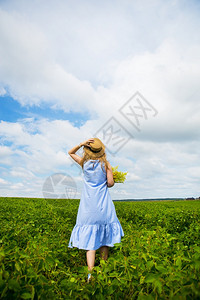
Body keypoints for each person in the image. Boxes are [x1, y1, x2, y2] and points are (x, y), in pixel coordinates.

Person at [68, 138, 124, 282]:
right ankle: (103, 271)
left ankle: (90, 274)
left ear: (87, 150)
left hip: (87, 206)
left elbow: (70, 152)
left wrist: (81, 143)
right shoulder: (105, 164)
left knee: (89, 242)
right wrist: (110, 177)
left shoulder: (84, 163)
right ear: (101, 151)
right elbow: (110, 183)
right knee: (105, 239)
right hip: (103, 205)